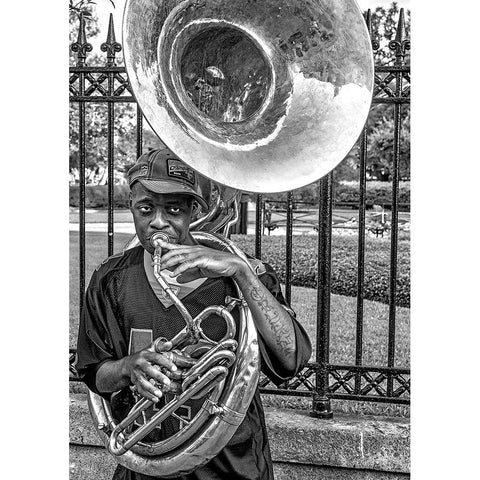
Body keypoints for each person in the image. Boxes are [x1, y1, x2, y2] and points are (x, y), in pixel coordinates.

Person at [76, 148, 312, 480]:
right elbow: (95, 374)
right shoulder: (109, 279)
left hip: (232, 468)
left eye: (173, 209)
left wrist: (241, 273)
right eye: (146, 209)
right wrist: (130, 368)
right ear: (131, 207)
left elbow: (291, 360)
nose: (158, 221)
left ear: (192, 211)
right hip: (144, 468)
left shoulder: (246, 273)